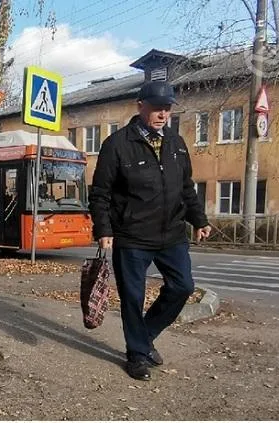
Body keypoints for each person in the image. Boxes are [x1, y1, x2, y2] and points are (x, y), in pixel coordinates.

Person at [88, 81, 212, 381]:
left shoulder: (176, 143)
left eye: (167, 108)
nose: (163, 113)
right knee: (133, 296)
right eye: (157, 107)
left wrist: (199, 219)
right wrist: (103, 229)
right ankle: (137, 354)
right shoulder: (117, 144)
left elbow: (187, 188)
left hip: (172, 233)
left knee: (182, 286)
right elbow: (100, 193)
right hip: (132, 235)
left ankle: (144, 336)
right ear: (140, 105)